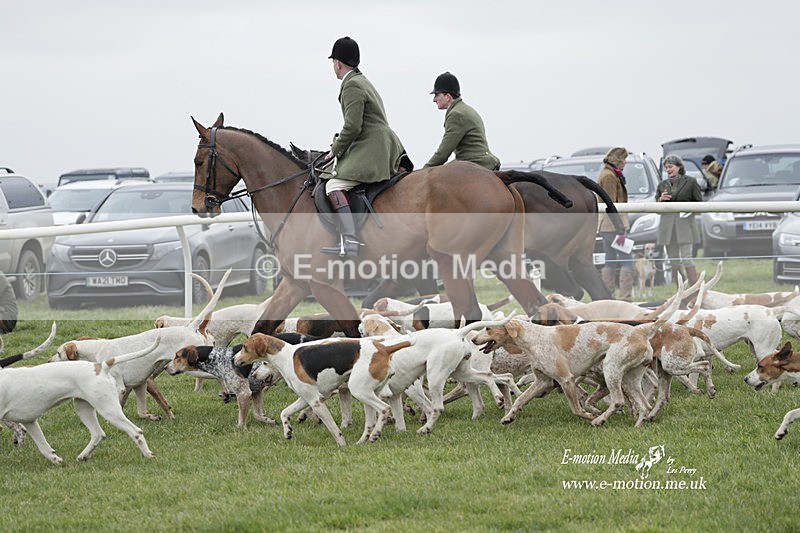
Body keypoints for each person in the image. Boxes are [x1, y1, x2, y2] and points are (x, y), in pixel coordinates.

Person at [322, 36, 406, 257]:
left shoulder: (351, 85)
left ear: (338, 63)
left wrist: (335, 149)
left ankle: (350, 240)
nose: (333, 67)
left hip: (372, 148)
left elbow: (353, 126)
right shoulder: (362, 80)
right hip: (378, 142)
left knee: (333, 185)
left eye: (333, 63)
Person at [424, 72, 500, 170]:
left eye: (437, 95)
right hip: (479, 160)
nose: (434, 100)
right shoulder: (465, 109)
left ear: (447, 96)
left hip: (474, 163)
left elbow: (443, 153)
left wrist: (423, 170)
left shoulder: (456, 115)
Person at [656, 154, 702, 286]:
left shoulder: (691, 182)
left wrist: (688, 210)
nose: (668, 170)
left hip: (685, 227)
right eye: (666, 168)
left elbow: (700, 204)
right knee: (673, 261)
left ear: (679, 167)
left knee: (687, 258)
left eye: (670, 167)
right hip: (668, 229)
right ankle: (681, 291)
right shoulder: (662, 185)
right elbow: (657, 209)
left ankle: (695, 289)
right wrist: (660, 200)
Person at [597, 147, 635, 302]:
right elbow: (610, 203)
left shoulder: (609, 174)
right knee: (628, 259)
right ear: (617, 160)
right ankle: (626, 299)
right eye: (623, 159)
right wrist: (620, 228)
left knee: (610, 259)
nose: (625, 163)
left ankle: (608, 298)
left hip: (608, 226)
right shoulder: (609, 176)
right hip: (613, 226)